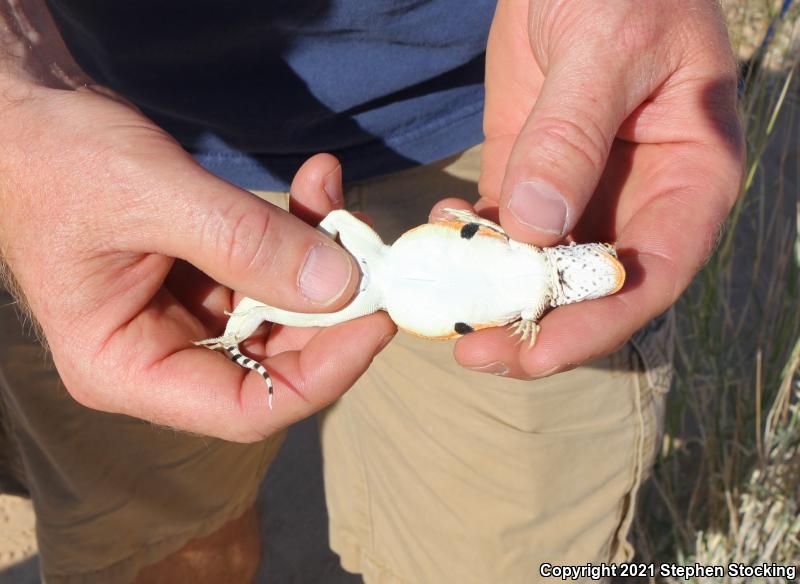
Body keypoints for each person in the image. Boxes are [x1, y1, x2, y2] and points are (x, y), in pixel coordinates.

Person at [0, 0, 743, 582]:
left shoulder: (541, 281)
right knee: (148, 542)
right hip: (97, 136)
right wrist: (16, 97)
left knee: (502, 555)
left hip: (514, 96)